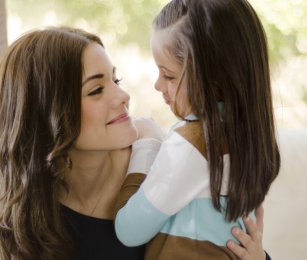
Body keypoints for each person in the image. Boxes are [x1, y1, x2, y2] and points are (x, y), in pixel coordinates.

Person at [0, 26, 266, 260]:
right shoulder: (24, 207)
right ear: (48, 114)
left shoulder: (166, 166)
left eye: (116, 80)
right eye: (96, 90)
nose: (123, 96)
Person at [114, 0, 280, 259]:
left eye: (168, 75)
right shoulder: (246, 140)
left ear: (214, 78)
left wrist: (148, 144)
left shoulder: (193, 142)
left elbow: (128, 229)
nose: (158, 85)